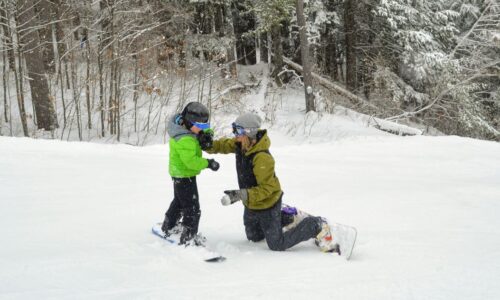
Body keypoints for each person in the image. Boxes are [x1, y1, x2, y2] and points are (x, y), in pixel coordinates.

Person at [206, 112, 336, 252]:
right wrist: (206, 144)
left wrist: (240, 195)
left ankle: (315, 225)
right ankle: (287, 217)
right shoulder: (241, 144)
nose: (234, 134)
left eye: (238, 130)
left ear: (249, 132)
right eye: (234, 129)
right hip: (252, 203)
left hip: (268, 203)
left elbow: (267, 188)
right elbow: (223, 145)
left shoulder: (262, 158)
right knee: (254, 237)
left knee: (276, 244)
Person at [161, 102, 220, 245]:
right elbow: (191, 162)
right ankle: (189, 237)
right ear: (189, 123)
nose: (202, 129)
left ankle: (168, 225)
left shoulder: (186, 129)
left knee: (180, 201)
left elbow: (202, 132)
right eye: (201, 126)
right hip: (184, 174)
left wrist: (207, 136)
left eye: (205, 126)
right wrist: (208, 163)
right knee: (192, 208)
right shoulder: (185, 139)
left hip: (181, 174)